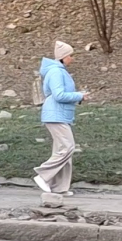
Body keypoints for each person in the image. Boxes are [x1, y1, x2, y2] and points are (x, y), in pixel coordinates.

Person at [33, 41, 88, 195]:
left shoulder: (58, 71)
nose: (72, 58)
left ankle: (59, 188)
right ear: (63, 57)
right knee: (67, 147)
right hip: (55, 115)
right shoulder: (56, 72)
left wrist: (79, 96)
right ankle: (43, 175)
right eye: (70, 55)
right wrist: (79, 95)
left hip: (59, 114)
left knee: (63, 151)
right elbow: (59, 95)